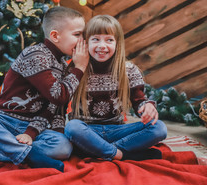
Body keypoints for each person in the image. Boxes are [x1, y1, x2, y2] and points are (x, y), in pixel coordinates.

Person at [0, 6, 89, 172]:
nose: (82, 41)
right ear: (55, 36)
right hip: (4, 121)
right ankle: (31, 156)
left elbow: (54, 109)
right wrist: (79, 68)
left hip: (33, 127)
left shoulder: (63, 65)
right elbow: (59, 96)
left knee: (63, 147)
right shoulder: (35, 54)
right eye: (77, 35)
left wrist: (31, 133)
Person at [64, 15, 167, 161]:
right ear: (85, 43)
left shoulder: (128, 70)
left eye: (109, 40)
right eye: (96, 39)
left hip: (117, 129)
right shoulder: (77, 67)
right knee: (72, 128)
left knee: (159, 128)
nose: (102, 46)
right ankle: (122, 154)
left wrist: (147, 107)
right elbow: (60, 97)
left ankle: (98, 150)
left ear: (117, 44)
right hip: (86, 130)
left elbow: (139, 101)